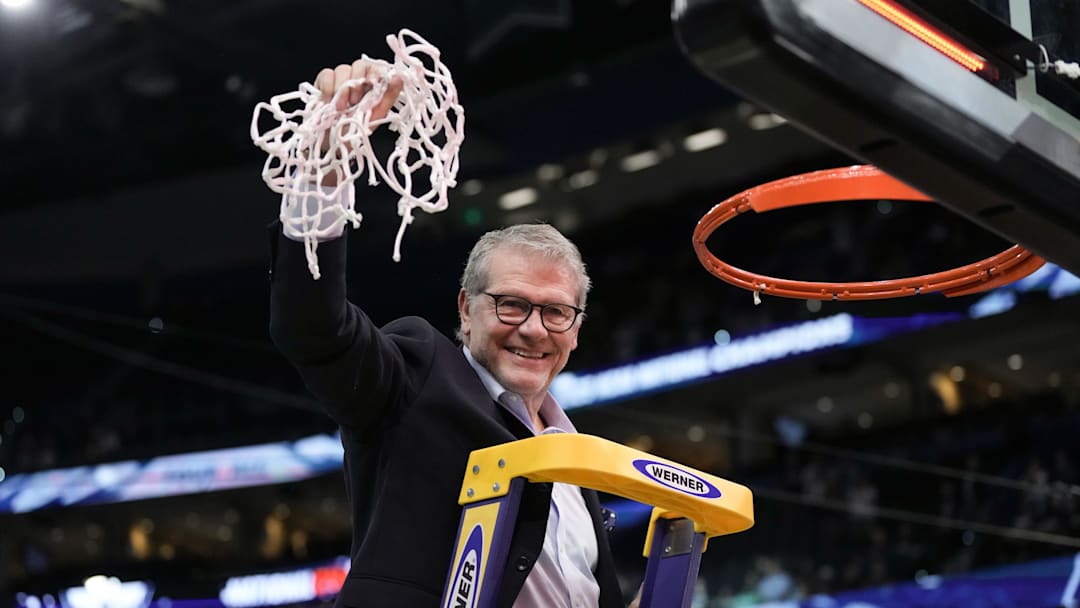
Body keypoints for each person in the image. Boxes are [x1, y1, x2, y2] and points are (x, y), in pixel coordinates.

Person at [268, 60, 629, 608]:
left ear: (576, 329)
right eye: (511, 305)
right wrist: (324, 171)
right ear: (465, 308)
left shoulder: (576, 456)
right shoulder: (419, 374)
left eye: (556, 312)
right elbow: (314, 328)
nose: (534, 329)